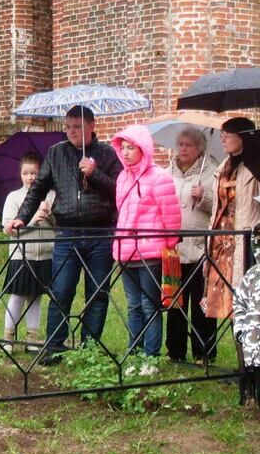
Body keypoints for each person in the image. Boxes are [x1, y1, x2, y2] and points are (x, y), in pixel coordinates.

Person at [5, 105, 123, 364]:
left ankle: (89, 347)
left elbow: (119, 190)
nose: (71, 132)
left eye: (77, 127)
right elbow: (38, 189)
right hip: (67, 232)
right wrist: (22, 217)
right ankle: (54, 346)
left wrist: (95, 174)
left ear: (92, 126)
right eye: (68, 127)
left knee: (97, 293)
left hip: (100, 233)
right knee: (61, 291)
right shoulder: (56, 153)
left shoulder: (107, 154)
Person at [111, 125, 182, 359]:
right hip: (126, 251)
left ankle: (151, 355)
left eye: (131, 148)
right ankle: (134, 351)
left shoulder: (160, 177)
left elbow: (170, 215)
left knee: (150, 305)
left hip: (150, 252)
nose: (126, 152)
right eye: (123, 148)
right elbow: (121, 210)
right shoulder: (122, 177)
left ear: (143, 149)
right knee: (133, 306)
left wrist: (168, 244)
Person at [204, 117, 260, 394]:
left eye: (228, 134)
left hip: (248, 245)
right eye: (222, 134)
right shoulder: (223, 167)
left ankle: (252, 377)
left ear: (244, 136)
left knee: (249, 309)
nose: (223, 139)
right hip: (223, 246)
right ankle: (243, 373)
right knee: (231, 309)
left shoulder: (255, 166)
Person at [167, 127, 218, 363]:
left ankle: (203, 352)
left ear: (200, 149)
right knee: (175, 301)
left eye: (189, 145)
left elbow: (221, 205)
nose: (183, 149)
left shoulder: (212, 172)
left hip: (200, 247)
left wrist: (205, 196)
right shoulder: (168, 172)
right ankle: (175, 352)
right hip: (174, 248)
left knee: (201, 303)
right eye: (181, 144)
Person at [1, 154, 56, 352]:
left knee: (36, 296)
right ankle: (8, 338)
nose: (30, 177)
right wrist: (32, 220)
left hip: (45, 255)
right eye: (26, 173)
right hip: (22, 255)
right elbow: (8, 228)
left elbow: (60, 226)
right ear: (20, 175)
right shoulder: (14, 197)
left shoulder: (51, 196)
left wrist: (49, 214)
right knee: (17, 295)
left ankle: (32, 339)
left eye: (34, 173)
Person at [232, 229, 260, 408]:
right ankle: (250, 394)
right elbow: (239, 302)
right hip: (255, 351)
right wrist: (241, 331)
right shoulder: (252, 275)